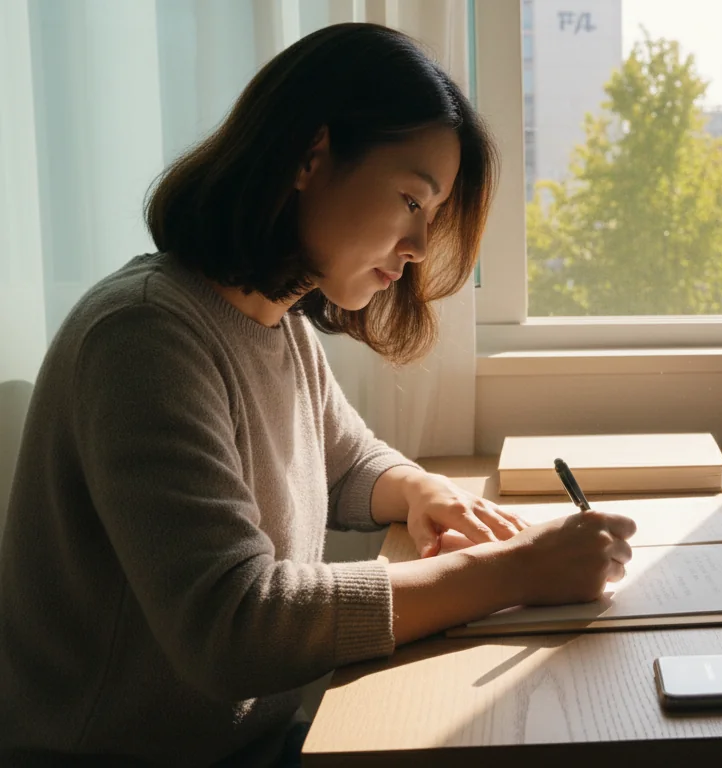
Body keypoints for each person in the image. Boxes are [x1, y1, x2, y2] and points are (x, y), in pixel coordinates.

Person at [0, 24, 637, 766]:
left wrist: (419, 489)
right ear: (310, 156)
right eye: (410, 200)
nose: (419, 248)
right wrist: (510, 572)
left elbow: (343, 461)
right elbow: (234, 626)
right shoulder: (143, 336)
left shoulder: (277, 322)